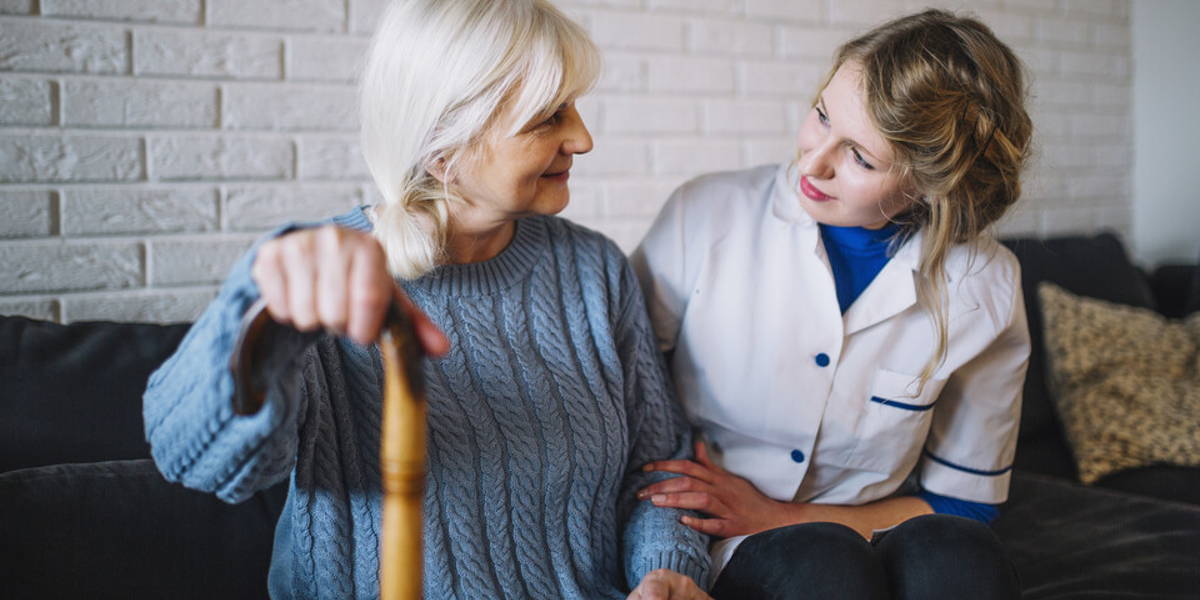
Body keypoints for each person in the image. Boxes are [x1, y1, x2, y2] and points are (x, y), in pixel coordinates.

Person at [143, 1, 712, 598]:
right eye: (548, 117)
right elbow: (196, 464)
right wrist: (263, 315)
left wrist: (664, 569)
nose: (583, 138)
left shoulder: (594, 270)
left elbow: (657, 472)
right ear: (444, 151)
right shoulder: (331, 284)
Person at [631, 9, 1032, 599]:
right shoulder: (704, 215)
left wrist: (777, 514)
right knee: (823, 563)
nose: (813, 162)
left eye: (861, 158)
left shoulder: (985, 284)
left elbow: (963, 501)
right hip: (734, 544)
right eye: (821, 115)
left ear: (928, 182)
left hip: (878, 526)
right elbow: (623, 400)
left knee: (961, 554)